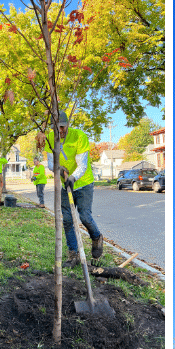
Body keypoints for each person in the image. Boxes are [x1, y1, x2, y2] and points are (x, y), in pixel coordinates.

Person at [44, 111, 103, 265]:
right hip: (65, 183)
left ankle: (96, 237)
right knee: (68, 220)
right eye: (56, 128)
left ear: (67, 124)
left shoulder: (79, 136)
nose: (60, 131)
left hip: (83, 182)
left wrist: (73, 177)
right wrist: (57, 167)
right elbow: (50, 162)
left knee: (84, 216)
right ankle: (73, 255)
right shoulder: (50, 138)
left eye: (62, 127)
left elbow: (82, 164)